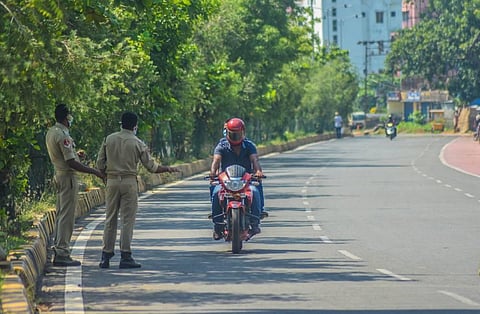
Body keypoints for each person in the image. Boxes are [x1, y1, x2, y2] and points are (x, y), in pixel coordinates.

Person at [96, 112, 180, 269]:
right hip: (129, 183)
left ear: (121, 123)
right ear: (135, 126)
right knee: (127, 220)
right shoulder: (137, 142)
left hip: (112, 181)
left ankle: (105, 256)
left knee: (110, 219)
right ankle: (125, 256)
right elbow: (152, 167)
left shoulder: (109, 139)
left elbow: (100, 164)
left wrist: (106, 176)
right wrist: (168, 168)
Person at [46, 104, 105, 267]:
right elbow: (71, 162)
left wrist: (77, 156)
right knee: (67, 217)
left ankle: (59, 248)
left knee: (60, 214)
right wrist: (94, 171)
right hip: (67, 178)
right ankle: (62, 252)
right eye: (70, 117)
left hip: (59, 175)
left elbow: (67, 156)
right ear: (66, 118)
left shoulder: (52, 132)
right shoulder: (63, 135)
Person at [209, 118, 263, 240]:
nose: (235, 136)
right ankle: (217, 226)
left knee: (255, 190)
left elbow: (255, 160)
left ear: (243, 132)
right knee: (216, 191)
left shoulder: (249, 146)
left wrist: (258, 171)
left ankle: (255, 222)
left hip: (245, 181)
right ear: (227, 132)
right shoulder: (221, 146)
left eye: (237, 133)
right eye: (232, 133)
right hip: (226, 181)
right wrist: (213, 173)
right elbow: (216, 161)